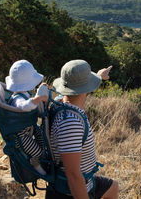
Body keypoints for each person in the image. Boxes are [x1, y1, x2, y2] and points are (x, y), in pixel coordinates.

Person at [46, 59, 118, 199]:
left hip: (86, 181)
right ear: (87, 88)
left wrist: (99, 76)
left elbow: (76, 89)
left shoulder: (60, 102)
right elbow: (73, 174)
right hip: (72, 191)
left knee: (113, 186)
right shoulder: (70, 122)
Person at [5, 59, 49, 175]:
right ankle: (36, 163)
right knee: (38, 152)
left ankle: (42, 157)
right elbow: (24, 106)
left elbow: (30, 101)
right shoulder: (18, 99)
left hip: (28, 129)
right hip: (20, 136)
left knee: (42, 136)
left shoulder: (25, 93)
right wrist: (39, 98)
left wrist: (39, 92)